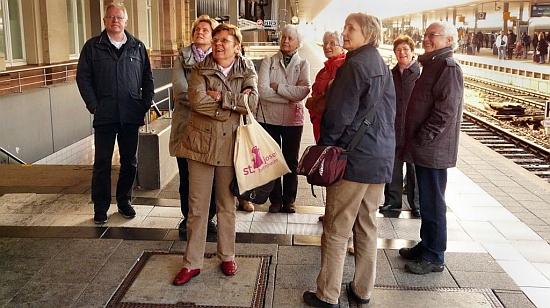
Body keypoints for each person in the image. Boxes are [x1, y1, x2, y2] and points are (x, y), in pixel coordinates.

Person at [303, 12, 396, 307]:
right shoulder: (382, 64)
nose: (344, 33)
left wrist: (329, 148)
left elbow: (337, 115)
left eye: (350, 28)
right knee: (367, 227)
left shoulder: (353, 65)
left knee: (336, 228)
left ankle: (327, 294)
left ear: (368, 33)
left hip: (352, 161)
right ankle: (363, 289)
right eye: (344, 27)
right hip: (379, 159)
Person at [172, 23, 259, 286]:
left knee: (227, 206)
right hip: (199, 145)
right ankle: (192, 263)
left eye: (225, 40)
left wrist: (220, 97)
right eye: (217, 39)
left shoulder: (247, 68)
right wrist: (234, 105)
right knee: (197, 208)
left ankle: (227, 255)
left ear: (237, 45)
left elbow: (253, 103)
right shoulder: (200, 68)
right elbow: (196, 101)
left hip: (231, 147)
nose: (219, 44)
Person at [76, 2, 154, 224]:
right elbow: (83, 78)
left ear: (126, 21)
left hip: (130, 115)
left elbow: (147, 78)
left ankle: (124, 202)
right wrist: (94, 106)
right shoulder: (92, 47)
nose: (115, 21)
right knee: (102, 163)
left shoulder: (137, 47)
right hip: (105, 115)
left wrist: (144, 104)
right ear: (105, 21)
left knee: (130, 162)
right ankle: (100, 207)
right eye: (111, 17)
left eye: (119, 17)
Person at [399, 21, 464, 275]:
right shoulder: (432, 64)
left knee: (434, 202)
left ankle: (435, 256)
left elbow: (446, 110)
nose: (426, 39)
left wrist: (424, 137)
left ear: (448, 41)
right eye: (425, 35)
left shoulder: (448, 68)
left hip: (433, 148)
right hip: (425, 146)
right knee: (426, 200)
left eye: (432, 36)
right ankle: (426, 245)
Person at [169, 15, 222, 238]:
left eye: (205, 30)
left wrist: (215, 97)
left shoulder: (221, 58)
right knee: (186, 177)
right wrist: (212, 98)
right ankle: (187, 218)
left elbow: (226, 91)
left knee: (210, 177)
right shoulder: (182, 57)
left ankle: (208, 218)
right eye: (197, 30)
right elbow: (181, 91)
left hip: (212, 127)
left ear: (212, 36)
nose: (200, 33)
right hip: (186, 125)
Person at [257, 24, 311, 214]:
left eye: (290, 38)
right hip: (268, 118)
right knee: (271, 160)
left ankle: (289, 199)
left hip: (292, 120)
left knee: (290, 161)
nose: (285, 41)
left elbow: (303, 91)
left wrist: (278, 87)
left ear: (298, 43)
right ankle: (275, 200)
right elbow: (262, 92)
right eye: (283, 37)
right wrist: (289, 94)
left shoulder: (303, 64)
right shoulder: (268, 62)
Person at [379, 35, 420, 218]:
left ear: (412, 51)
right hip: (393, 128)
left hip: (414, 129)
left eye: (405, 49)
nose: (402, 53)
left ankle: (417, 204)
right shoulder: (391, 74)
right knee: (393, 168)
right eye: (398, 50)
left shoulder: (420, 73)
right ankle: (392, 203)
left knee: (414, 171)